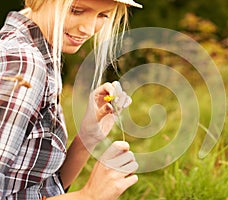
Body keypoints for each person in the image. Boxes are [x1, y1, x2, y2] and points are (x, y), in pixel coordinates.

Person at [0, 0, 143, 199]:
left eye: (103, 15)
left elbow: (41, 188)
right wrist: (89, 195)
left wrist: (88, 136)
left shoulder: (39, 52)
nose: (88, 29)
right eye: (76, 10)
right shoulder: (26, 63)